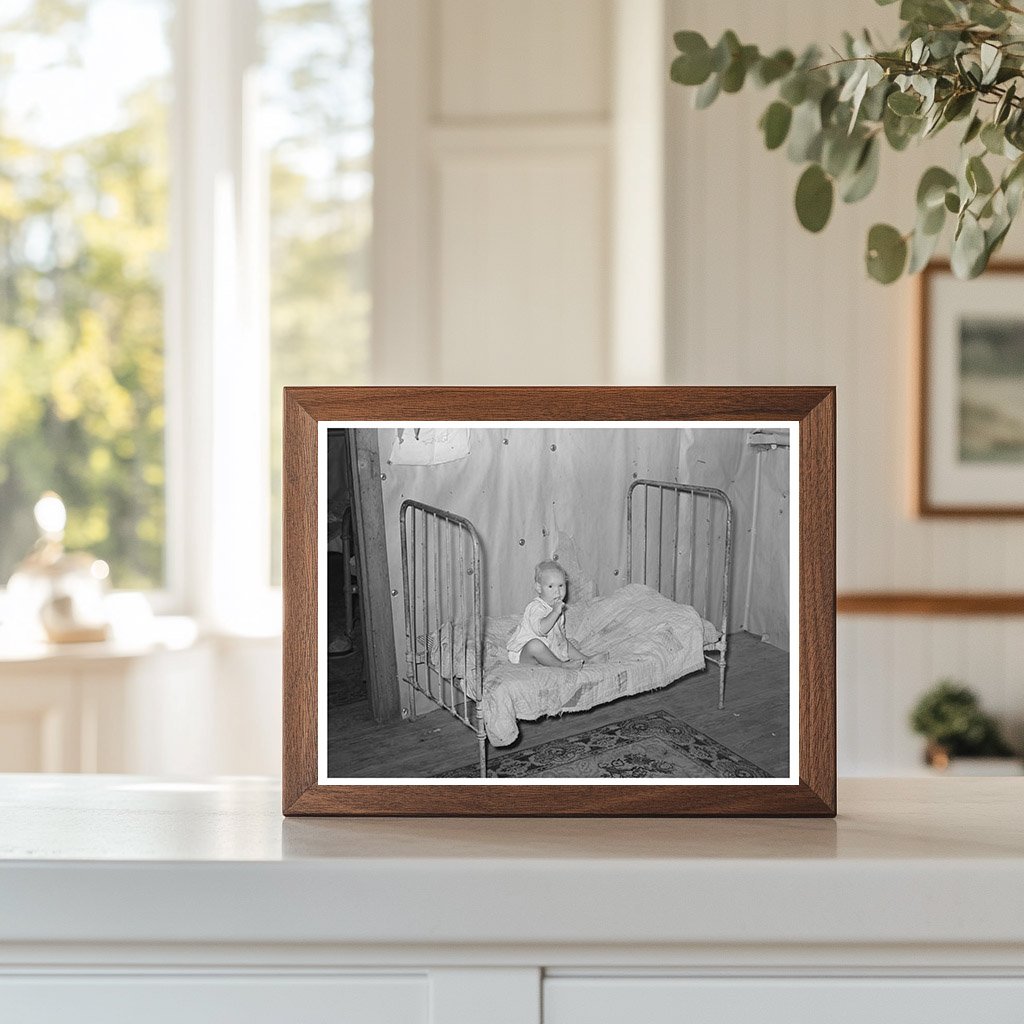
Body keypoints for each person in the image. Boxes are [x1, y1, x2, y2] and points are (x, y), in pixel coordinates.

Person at [506, 560, 591, 668]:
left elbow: (559, 632)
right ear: (539, 588)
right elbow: (541, 630)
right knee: (535, 645)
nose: (557, 591)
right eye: (551, 586)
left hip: (548, 648)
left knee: (564, 642)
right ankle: (561, 665)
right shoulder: (536, 607)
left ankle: (586, 659)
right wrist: (555, 612)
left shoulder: (558, 608)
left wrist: (562, 642)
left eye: (561, 585)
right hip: (525, 654)